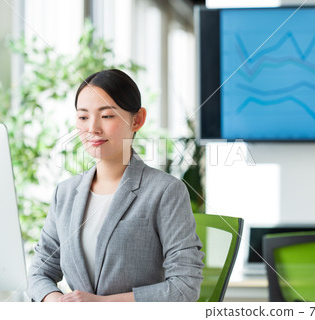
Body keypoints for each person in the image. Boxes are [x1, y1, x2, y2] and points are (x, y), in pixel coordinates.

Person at [27, 69, 204, 302]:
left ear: (137, 119)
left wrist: (102, 305)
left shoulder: (165, 191)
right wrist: (58, 303)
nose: (92, 128)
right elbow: (39, 273)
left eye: (107, 116)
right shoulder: (66, 193)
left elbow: (185, 287)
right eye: (83, 117)